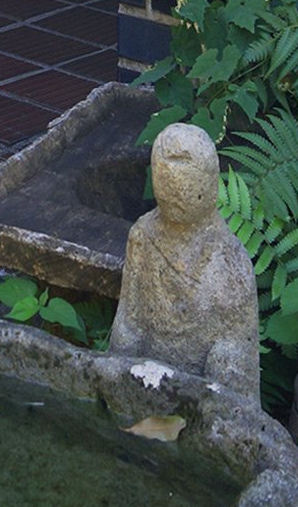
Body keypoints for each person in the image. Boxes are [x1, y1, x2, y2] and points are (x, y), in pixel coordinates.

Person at [109, 123, 261, 404]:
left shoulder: (229, 258)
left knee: (228, 360)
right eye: (164, 186)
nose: (173, 197)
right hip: (149, 375)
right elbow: (129, 318)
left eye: (184, 189)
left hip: (204, 390)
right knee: (123, 338)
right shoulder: (143, 235)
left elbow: (239, 345)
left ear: (211, 183)